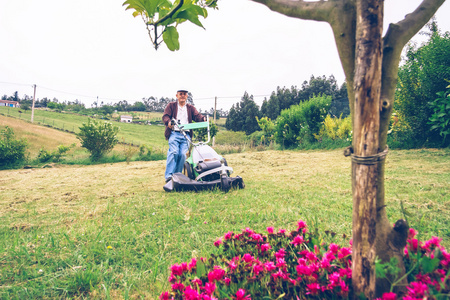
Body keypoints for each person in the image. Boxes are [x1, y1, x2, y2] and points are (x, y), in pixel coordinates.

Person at [162, 89, 206, 182]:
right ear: (177, 96)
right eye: (180, 94)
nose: (182, 96)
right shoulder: (171, 106)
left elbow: (197, 116)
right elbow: (165, 116)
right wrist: (168, 122)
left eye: (184, 94)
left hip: (185, 135)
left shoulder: (190, 108)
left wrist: (203, 118)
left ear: (187, 96)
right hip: (174, 133)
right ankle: (169, 177)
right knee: (174, 152)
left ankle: (177, 176)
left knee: (182, 155)